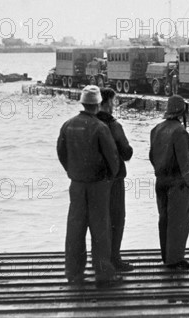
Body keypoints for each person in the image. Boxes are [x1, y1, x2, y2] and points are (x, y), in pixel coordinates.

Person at [57, 86, 122, 288]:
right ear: (97, 104)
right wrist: (108, 177)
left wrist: (72, 172)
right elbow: (113, 158)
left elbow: (61, 153)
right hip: (98, 186)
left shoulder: (68, 125)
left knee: (75, 229)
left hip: (76, 185)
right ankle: (103, 275)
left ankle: (74, 273)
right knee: (100, 229)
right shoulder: (100, 127)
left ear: (83, 103)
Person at [149, 95, 189, 270]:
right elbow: (186, 164)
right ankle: (175, 260)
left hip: (160, 182)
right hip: (177, 184)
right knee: (179, 222)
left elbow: (151, 157)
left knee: (164, 220)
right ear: (182, 110)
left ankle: (167, 257)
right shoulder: (180, 131)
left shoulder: (156, 129)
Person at [96, 88, 134, 272]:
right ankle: (114, 258)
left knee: (98, 220)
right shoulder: (114, 125)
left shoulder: (90, 123)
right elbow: (126, 153)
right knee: (117, 219)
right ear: (108, 102)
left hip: (93, 180)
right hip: (114, 179)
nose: (115, 105)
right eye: (114, 101)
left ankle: (100, 259)